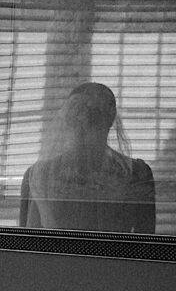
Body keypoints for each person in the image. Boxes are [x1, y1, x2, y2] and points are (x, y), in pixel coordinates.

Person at [19, 82, 156, 234]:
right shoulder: (39, 175)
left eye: (93, 118)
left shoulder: (137, 174)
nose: (83, 128)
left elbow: (145, 240)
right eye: (76, 118)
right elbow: (28, 242)